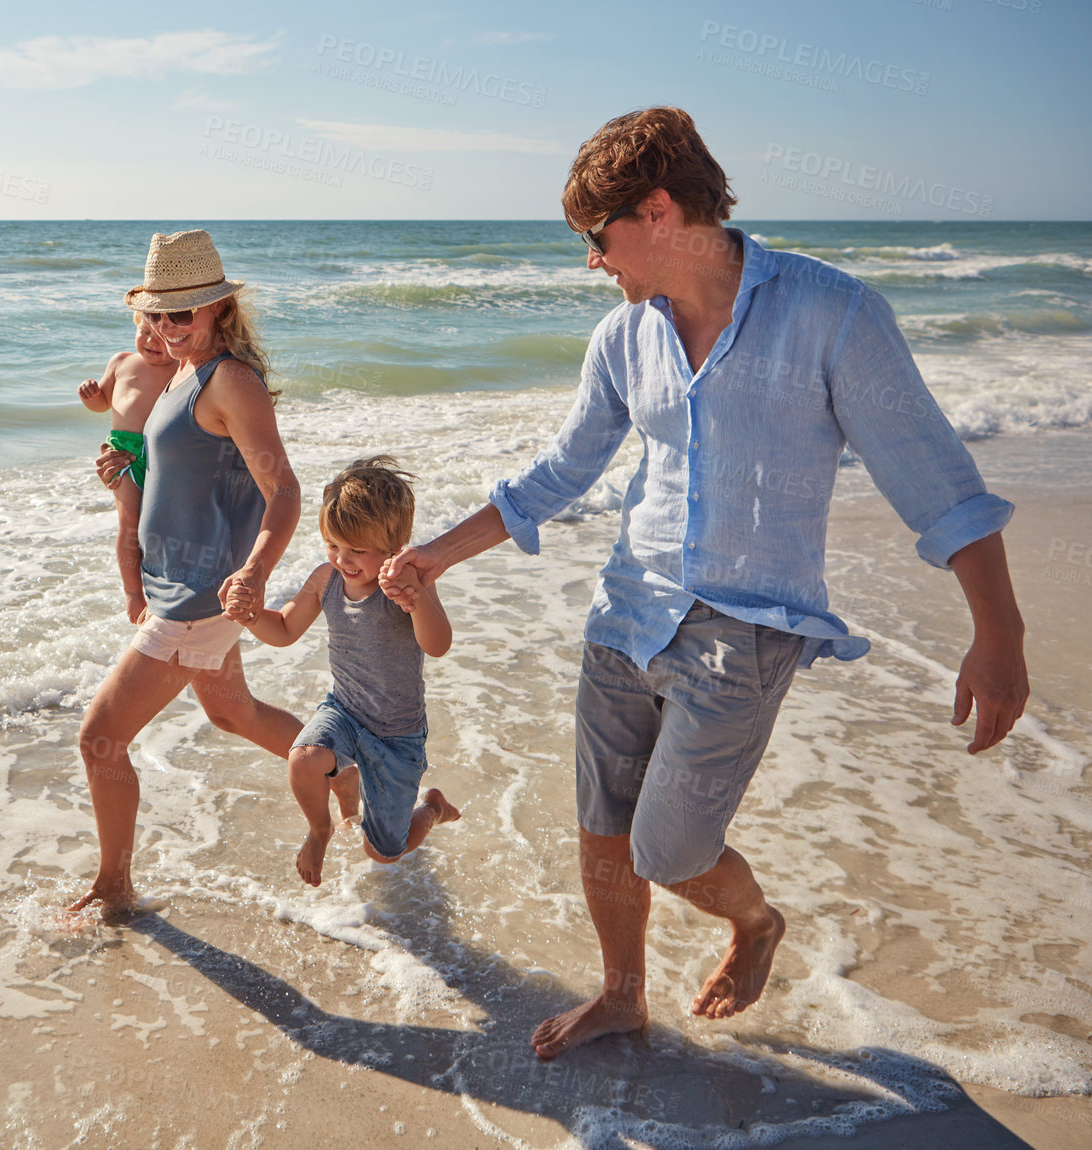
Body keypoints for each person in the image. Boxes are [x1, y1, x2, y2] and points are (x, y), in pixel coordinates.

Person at [381, 107, 1028, 1059]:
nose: (591, 263)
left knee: (669, 850)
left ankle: (756, 922)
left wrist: (998, 634)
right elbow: (559, 473)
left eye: (596, 240)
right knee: (603, 829)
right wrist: (436, 552)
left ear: (655, 213)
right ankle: (620, 995)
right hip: (624, 613)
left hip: (745, 632)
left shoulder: (831, 313)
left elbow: (935, 482)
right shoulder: (622, 338)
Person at [70, 229, 305, 916]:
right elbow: (184, 475)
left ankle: (114, 886)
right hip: (180, 583)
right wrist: (122, 482)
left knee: (98, 741)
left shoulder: (227, 378)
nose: (168, 327)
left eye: (183, 313)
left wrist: (255, 573)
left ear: (217, 311)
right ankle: (350, 774)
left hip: (198, 597)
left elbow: (283, 491)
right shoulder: (177, 372)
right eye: (157, 313)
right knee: (233, 713)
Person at [237, 456, 458, 887]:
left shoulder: (408, 582)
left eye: (358, 550)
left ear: (395, 546)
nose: (344, 559)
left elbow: (439, 644)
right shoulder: (326, 580)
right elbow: (283, 629)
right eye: (333, 545)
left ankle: (432, 807)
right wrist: (249, 615)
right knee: (302, 758)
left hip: (397, 734)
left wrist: (416, 598)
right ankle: (319, 830)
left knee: (384, 853)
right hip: (344, 711)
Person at [78, 315, 179, 622]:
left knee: (164, 524)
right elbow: (103, 403)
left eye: (160, 337)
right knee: (129, 524)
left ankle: (168, 585)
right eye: (144, 332)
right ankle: (133, 593)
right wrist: (92, 396)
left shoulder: (181, 368)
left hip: (168, 454)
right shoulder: (122, 362)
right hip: (125, 454)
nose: (150, 341)